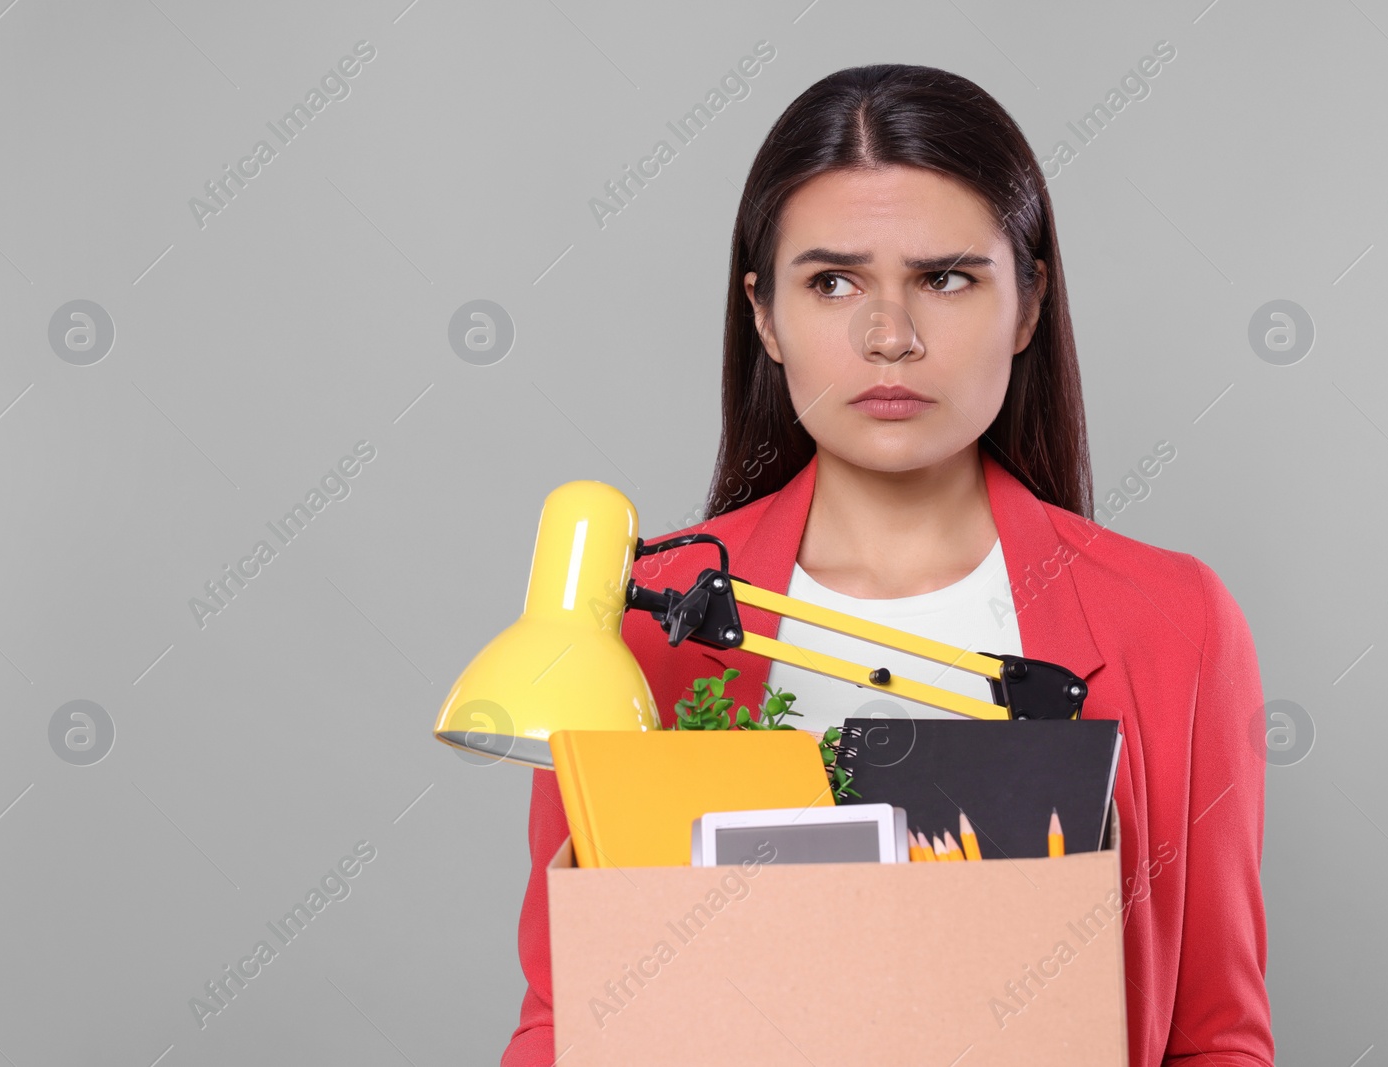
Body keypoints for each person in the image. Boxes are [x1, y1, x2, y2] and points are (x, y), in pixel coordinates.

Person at [502, 63, 1273, 1067]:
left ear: (1029, 302)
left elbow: (1215, 1037)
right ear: (766, 316)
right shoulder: (641, 622)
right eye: (832, 282)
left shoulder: (1173, 622)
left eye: (945, 278)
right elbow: (565, 1017)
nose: (889, 337)